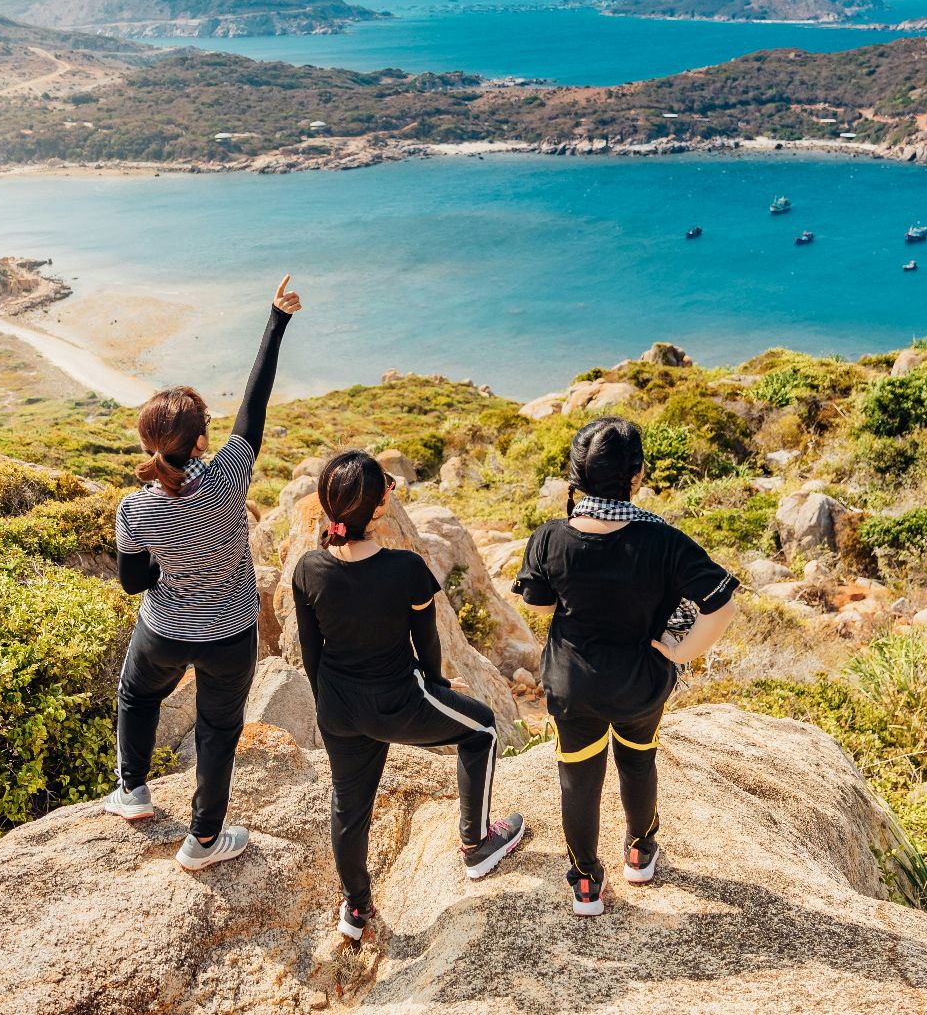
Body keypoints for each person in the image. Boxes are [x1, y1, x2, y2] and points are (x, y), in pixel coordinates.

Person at [103, 276, 301, 871]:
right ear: (203, 440)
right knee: (218, 732)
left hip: (164, 628)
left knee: (138, 696)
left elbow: (134, 584)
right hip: (231, 632)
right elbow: (255, 407)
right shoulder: (228, 475)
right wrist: (276, 318)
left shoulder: (134, 506)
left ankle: (133, 791)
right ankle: (204, 841)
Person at [291, 450, 525, 941]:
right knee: (481, 728)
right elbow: (427, 644)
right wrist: (437, 687)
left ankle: (355, 909)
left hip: (337, 706)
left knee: (348, 807)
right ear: (379, 508)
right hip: (397, 701)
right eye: (388, 489)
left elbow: (312, 653)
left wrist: (331, 704)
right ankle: (479, 843)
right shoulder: (405, 569)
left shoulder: (308, 569)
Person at [514, 416, 739, 916]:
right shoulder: (665, 541)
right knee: (638, 760)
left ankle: (587, 883)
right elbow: (721, 606)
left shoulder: (550, 538)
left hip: (574, 688)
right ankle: (640, 852)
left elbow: (541, 606)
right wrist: (680, 652)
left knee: (579, 779)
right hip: (642, 683)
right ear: (636, 477)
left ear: (576, 475)